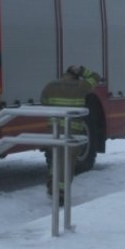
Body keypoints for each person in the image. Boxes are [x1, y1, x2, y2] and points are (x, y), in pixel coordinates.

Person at [40, 65, 101, 199]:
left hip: (53, 130)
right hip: (71, 130)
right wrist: (84, 70)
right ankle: (60, 191)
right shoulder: (81, 86)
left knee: (55, 158)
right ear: (77, 76)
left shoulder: (50, 86)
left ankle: (53, 183)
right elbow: (96, 77)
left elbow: (43, 102)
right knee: (67, 161)